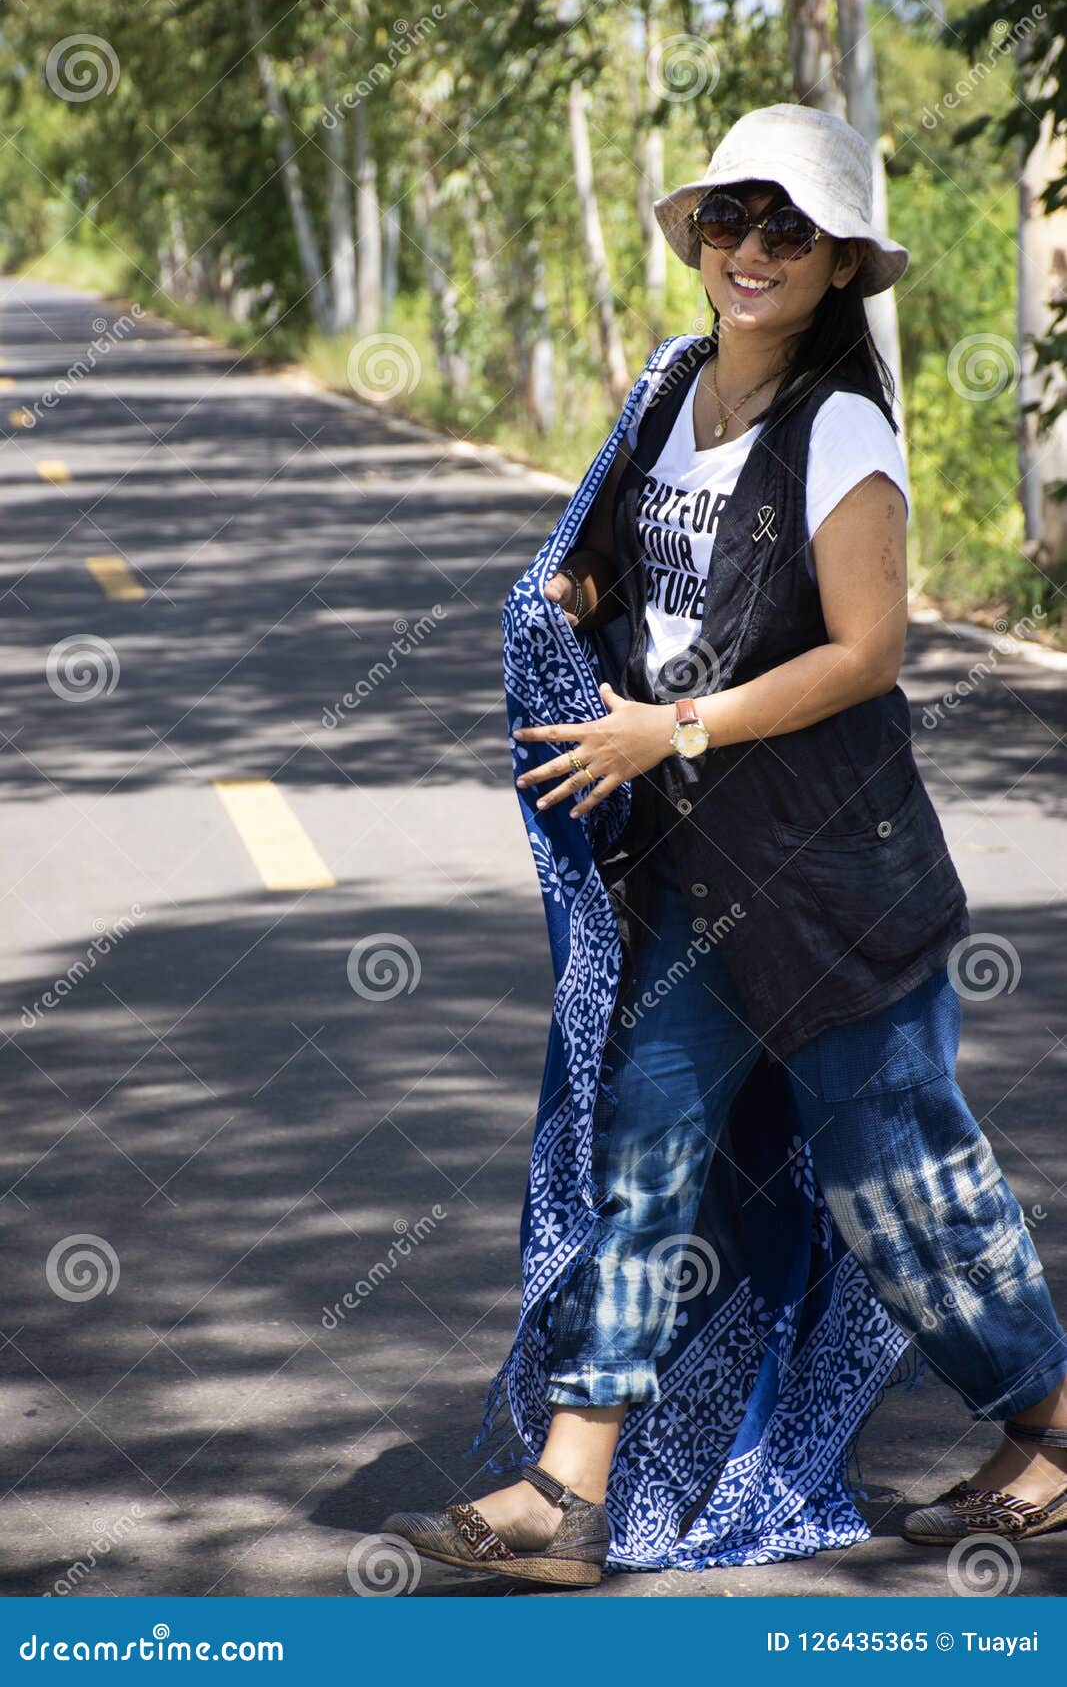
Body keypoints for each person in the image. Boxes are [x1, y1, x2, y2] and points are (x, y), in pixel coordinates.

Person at [383, 103, 1067, 1587]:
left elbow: (872, 650)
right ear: (696, 241)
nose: (750, 250)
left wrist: (672, 732)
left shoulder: (842, 427)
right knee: (642, 1155)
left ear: (834, 266)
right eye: (728, 221)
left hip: (835, 879)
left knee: (904, 1179)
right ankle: (570, 1486)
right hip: (700, 885)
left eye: (788, 230)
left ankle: (1054, 1425)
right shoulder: (669, 391)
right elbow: (631, 566)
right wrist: (577, 602)